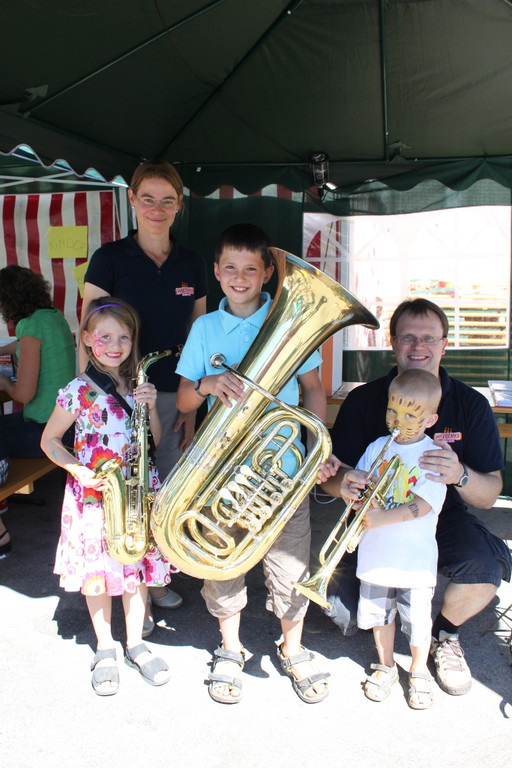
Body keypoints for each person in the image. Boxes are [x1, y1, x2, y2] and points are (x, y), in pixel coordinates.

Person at [175, 222, 340, 704]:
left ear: (268, 273)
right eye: (230, 268)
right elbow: (185, 399)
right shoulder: (205, 328)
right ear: (216, 273)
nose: (240, 277)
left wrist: (314, 448)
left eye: (251, 268)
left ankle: (293, 648)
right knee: (222, 559)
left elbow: (313, 390)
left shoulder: (288, 318)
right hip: (220, 472)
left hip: (282, 469)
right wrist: (208, 386)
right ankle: (230, 648)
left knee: (291, 563)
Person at [323, 298, 511, 698]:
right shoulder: (363, 400)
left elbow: (491, 493)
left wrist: (459, 474)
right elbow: (330, 477)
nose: (418, 346)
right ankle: (388, 654)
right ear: (393, 343)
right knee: (341, 608)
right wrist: (343, 482)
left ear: (444, 344)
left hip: (444, 517)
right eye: (408, 337)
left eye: (428, 338)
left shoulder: (470, 404)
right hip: (372, 522)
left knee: (483, 572)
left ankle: (444, 634)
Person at [82, 159, 208, 614]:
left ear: (179, 205)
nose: (157, 208)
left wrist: (193, 407)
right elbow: (90, 329)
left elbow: (200, 337)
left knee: (165, 489)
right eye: (148, 199)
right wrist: (92, 398)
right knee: (123, 490)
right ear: (132, 200)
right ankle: (120, 579)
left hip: (175, 395)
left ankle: (154, 580)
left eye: (167, 200)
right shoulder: (109, 258)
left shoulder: (192, 262)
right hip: (117, 397)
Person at [41, 298, 171, 696]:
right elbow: (49, 440)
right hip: (95, 497)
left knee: (135, 570)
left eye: (124, 337)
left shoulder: (137, 386)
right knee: (98, 574)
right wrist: (76, 468)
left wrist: (150, 410)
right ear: (86, 340)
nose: (115, 345)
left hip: (136, 495)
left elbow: (156, 441)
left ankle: (135, 643)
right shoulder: (77, 390)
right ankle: (104, 646)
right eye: (105, 337)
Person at [346, 369, 446, 709]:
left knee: (417, 620)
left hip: (413, 559)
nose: (397, 421)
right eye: (392, 410)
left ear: (430, 419)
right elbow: (360, 486)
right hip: (376, 555)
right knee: (379, 615)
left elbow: (424, 504)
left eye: (409, 415)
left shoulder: (432, 455)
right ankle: (386, 664)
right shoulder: (377, 447)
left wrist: (381, 517)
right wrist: (354, 493)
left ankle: (418, 670)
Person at [0, 265, 76, 457]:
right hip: (70, 425)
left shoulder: (30, 325)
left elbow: (24, 395)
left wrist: (5, 384)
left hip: (47, 430)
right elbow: (26, 345)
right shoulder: (54, 317)